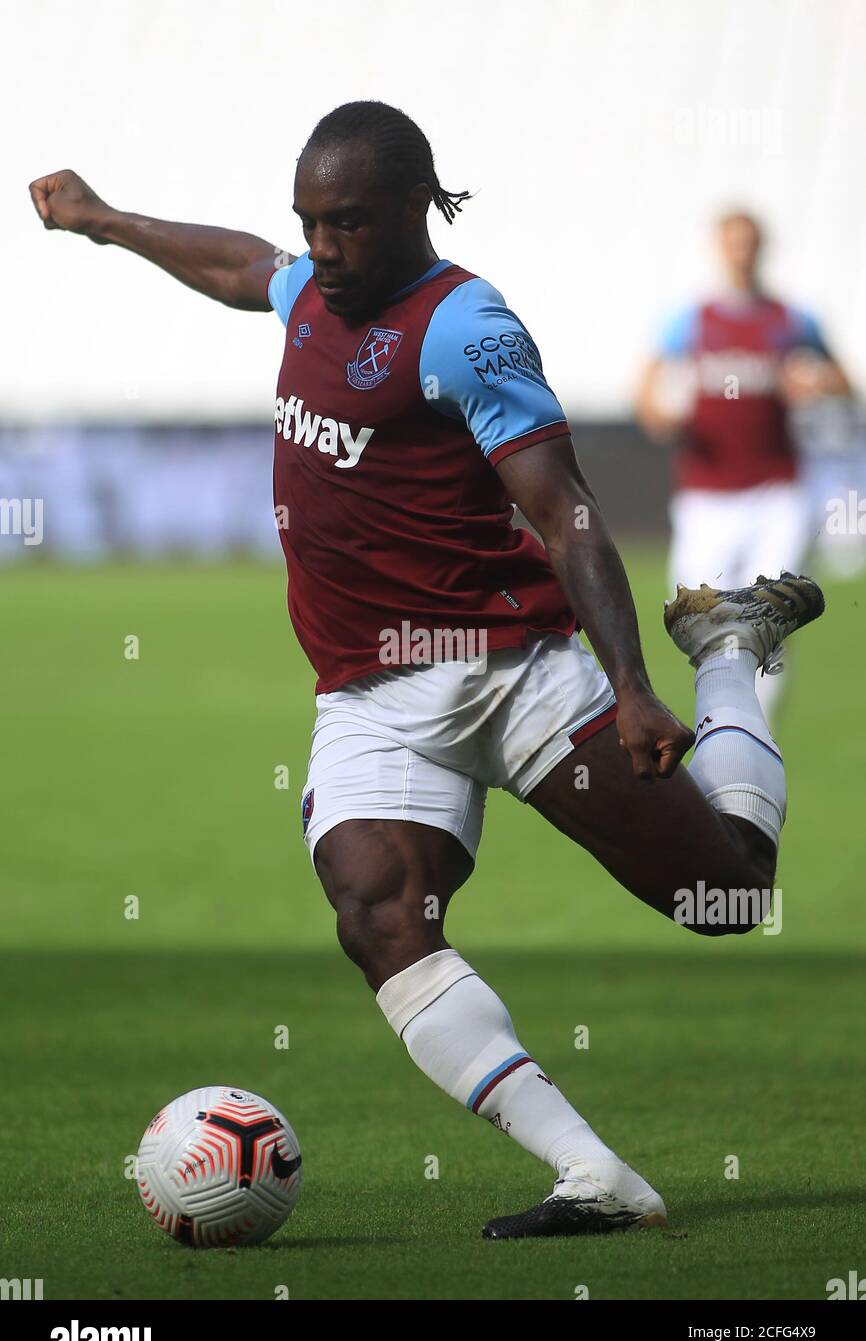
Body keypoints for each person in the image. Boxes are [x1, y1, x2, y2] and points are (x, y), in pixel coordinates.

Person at [30, 103, 825, 1240]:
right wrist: (105, 220)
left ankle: (731, 653)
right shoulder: (309, 284)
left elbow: (567, 513)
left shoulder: (464, 326)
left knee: (727, 895)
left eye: (348, 222)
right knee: (375, 909)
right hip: (371, 693)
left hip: (514, 670)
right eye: (309, 221)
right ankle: (593, 1175)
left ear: (414, 206)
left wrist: (636, 683)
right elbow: (239, 268)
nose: (322, 246)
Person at [635, 210, 848, 725]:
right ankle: (722, 711)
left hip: (777, 490)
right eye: (732, 244)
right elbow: (647, 391)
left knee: (770, 609)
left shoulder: (790, 320)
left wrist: (815, 384)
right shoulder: (691, 320)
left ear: (761, 248)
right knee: (697, 610)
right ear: (719, 248)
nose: (741, 253)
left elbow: (842, 380)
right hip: (707, 493)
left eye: (749, 244)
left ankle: (755, 728)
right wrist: (662, 413)